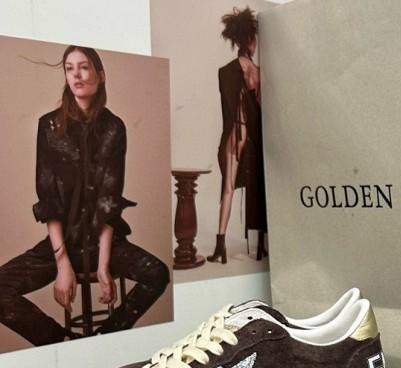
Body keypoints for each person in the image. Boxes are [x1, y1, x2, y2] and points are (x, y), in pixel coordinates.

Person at [0, 45, 170, 347]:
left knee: (156, 273)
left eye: (84, 67)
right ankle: (62, 342)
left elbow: (109, 200)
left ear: (100, 75)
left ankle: (105, 339)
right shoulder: (49, 126)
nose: (76, 75)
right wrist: (62, 263)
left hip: (103, 241)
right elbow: (49, 201)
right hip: (62, 242)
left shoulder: (113, 128)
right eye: (69, 68)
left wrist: (103, 265)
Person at [208, 7, 268, 265]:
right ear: (250, 40)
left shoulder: (227, 71)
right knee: (258, 189)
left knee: (228, 190)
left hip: (235, 136)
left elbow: (229, 107)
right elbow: (260, 107)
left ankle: (220, 246)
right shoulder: (258, 72)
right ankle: (260, 247)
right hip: (254, 140)